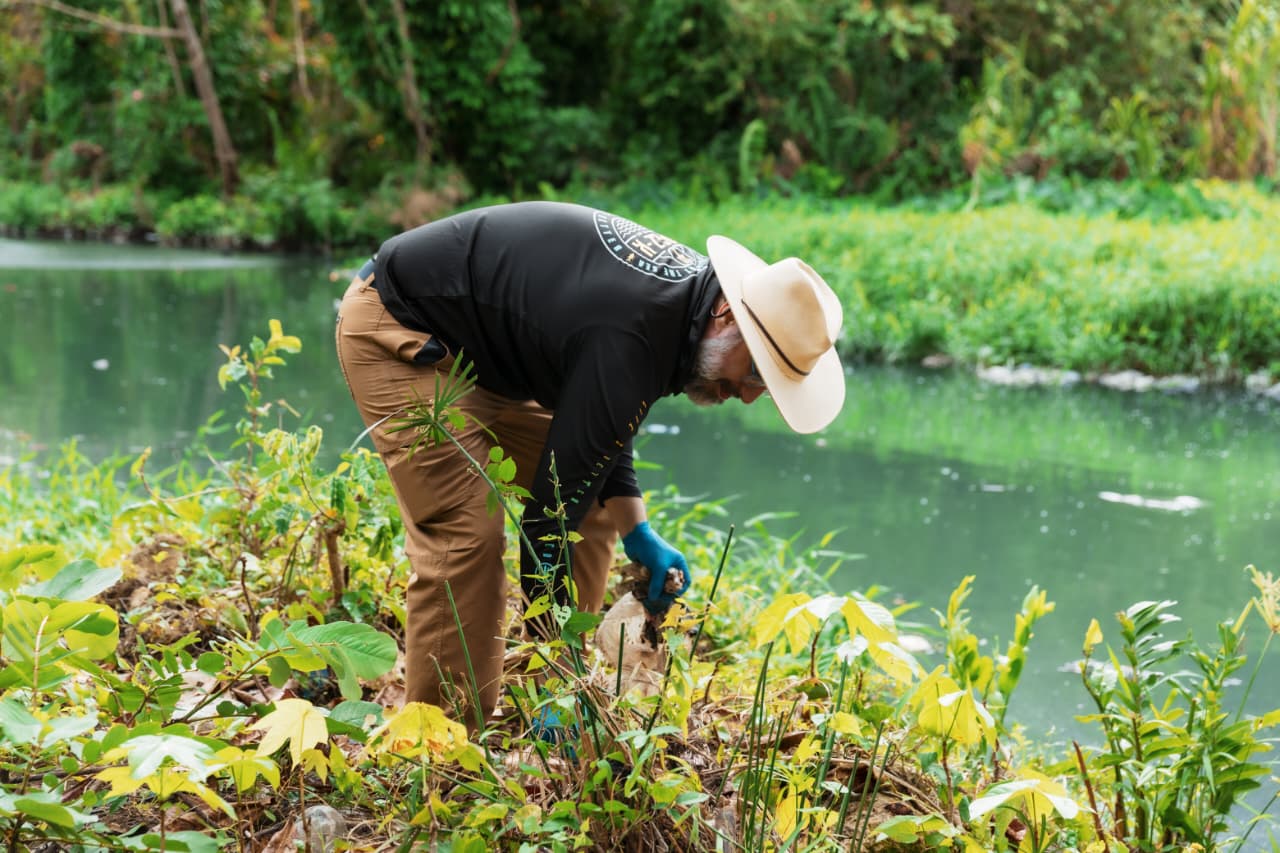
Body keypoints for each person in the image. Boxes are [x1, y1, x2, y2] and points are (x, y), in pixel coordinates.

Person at [335, 201, 845, 724]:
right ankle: (443, 735)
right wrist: (566, 671)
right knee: (467, 538)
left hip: (491, 356)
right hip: (404, 329)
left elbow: (604, 421)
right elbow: (547, 526)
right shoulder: (636, 331)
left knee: (596, 504)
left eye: (766, 388)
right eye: (756, 374)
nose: (747, 395)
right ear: (729, 316)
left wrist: (636, 528)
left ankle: (541, 696)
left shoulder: (687, 309)